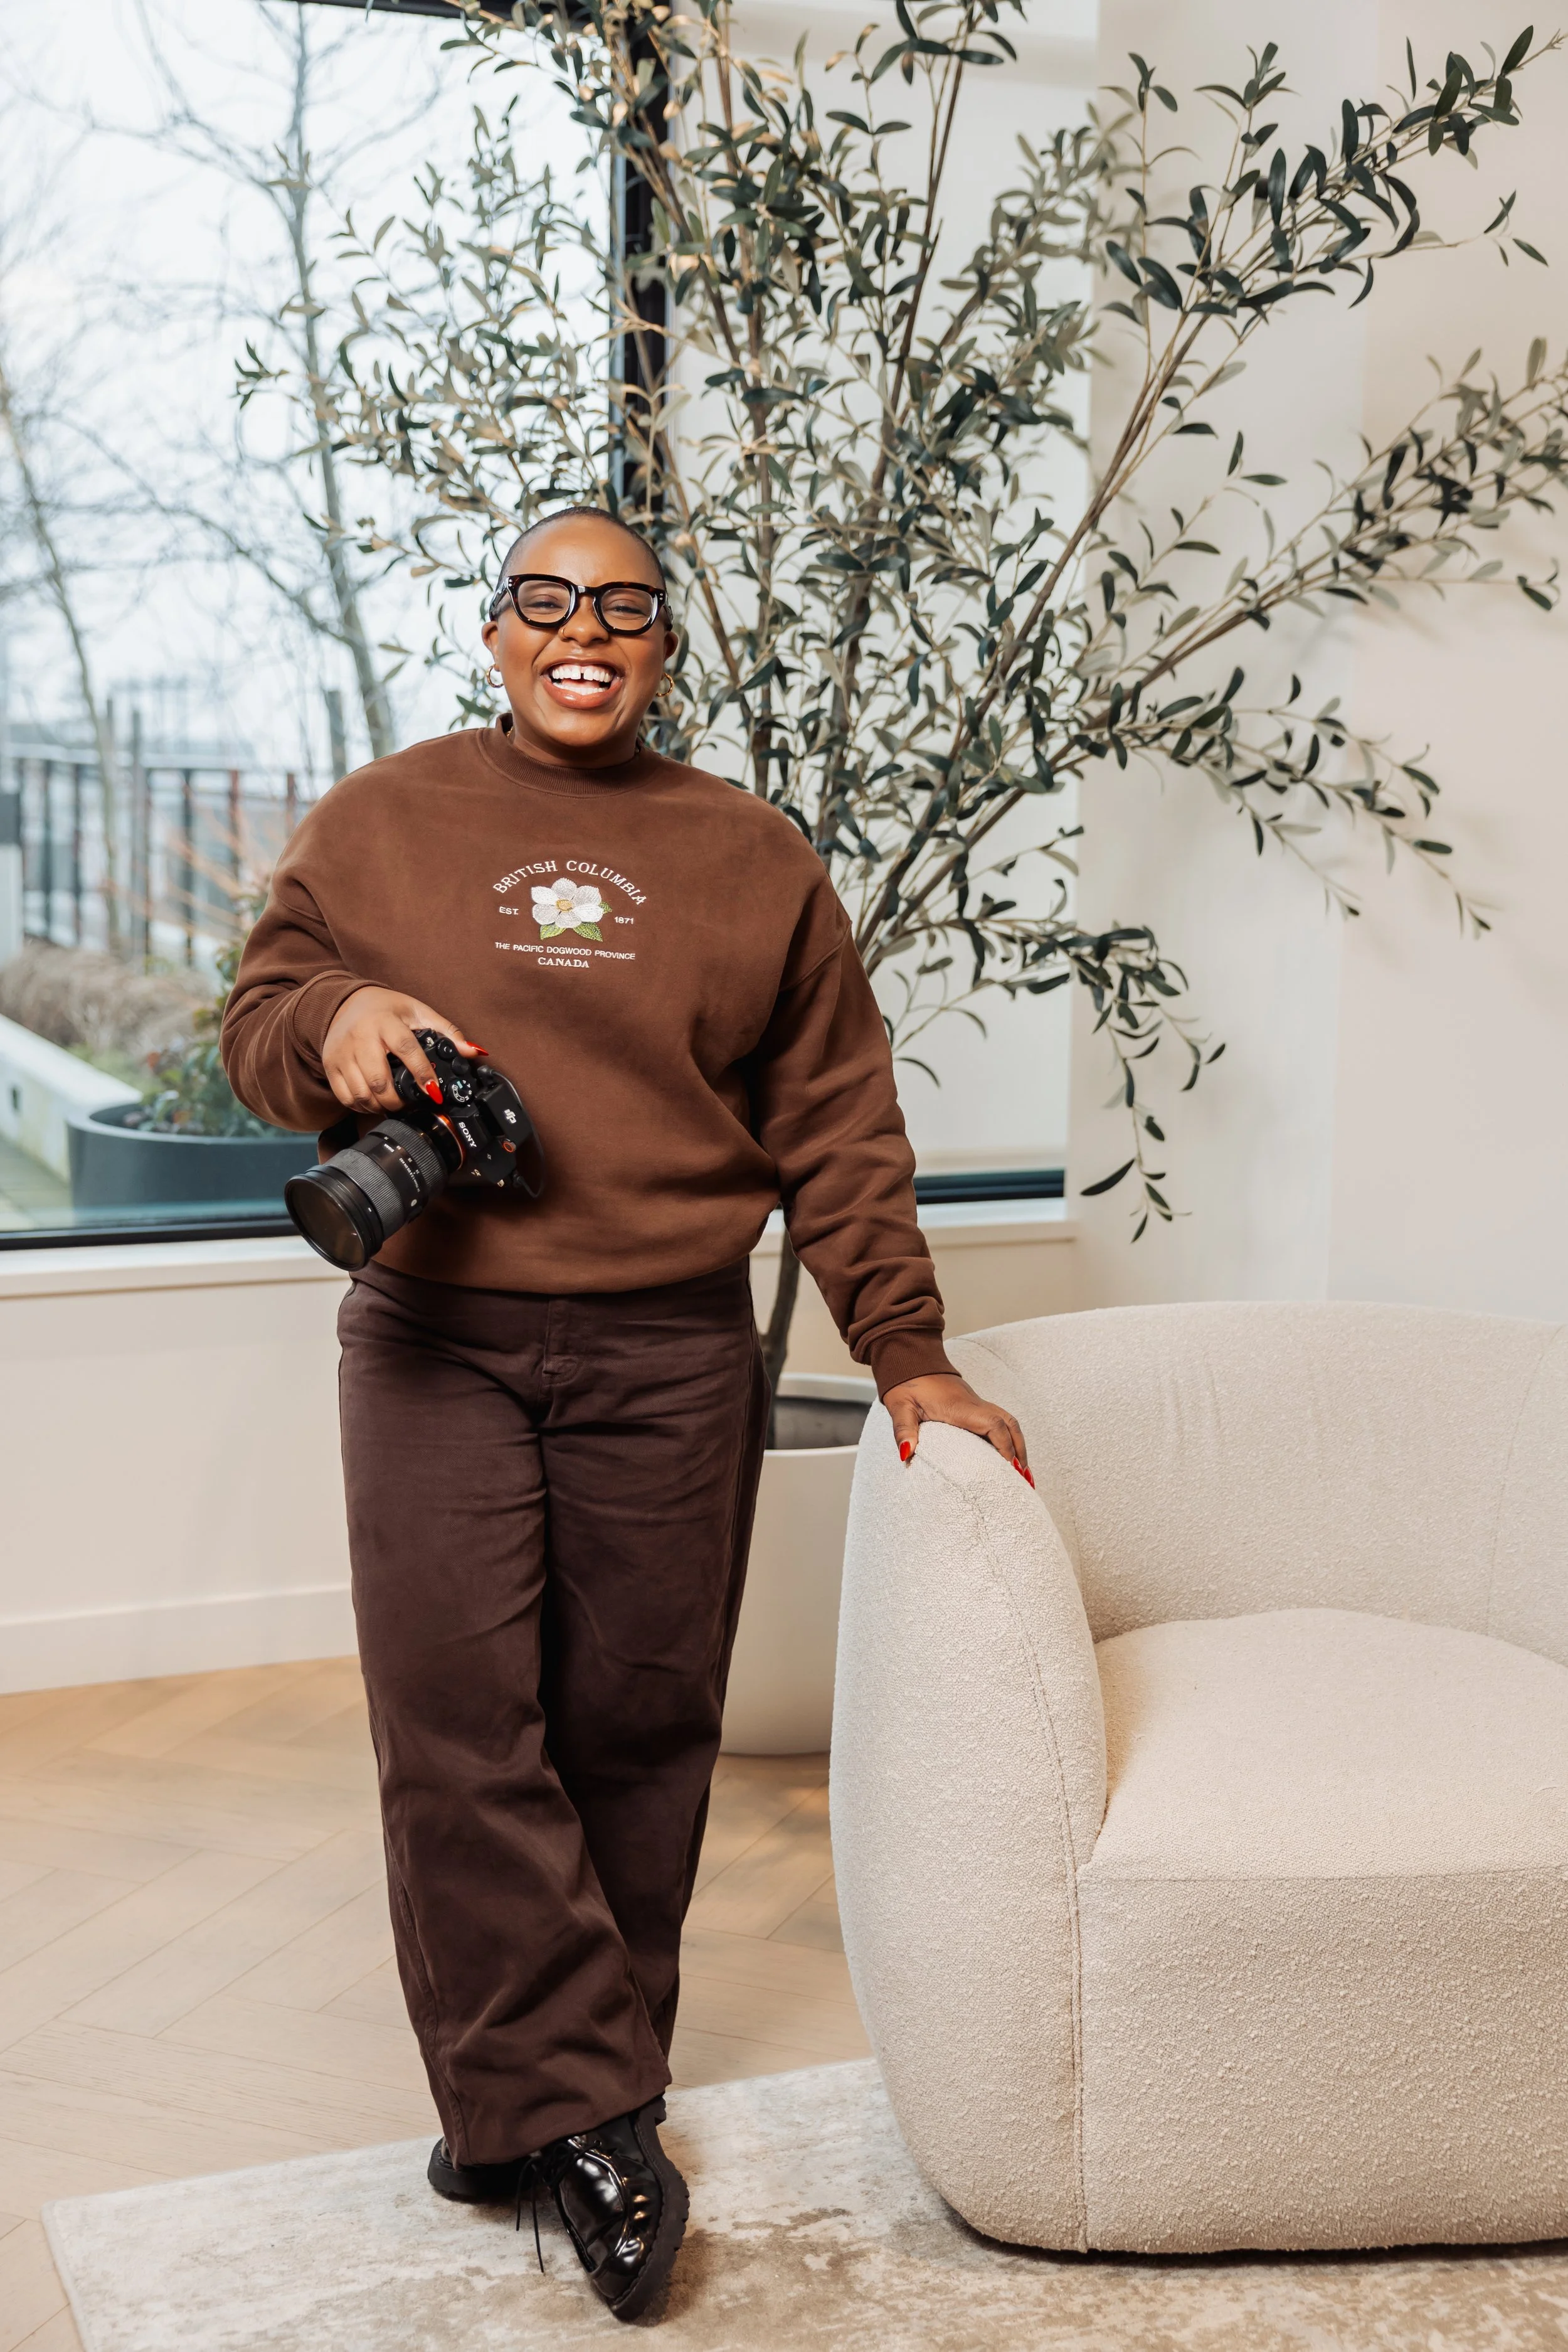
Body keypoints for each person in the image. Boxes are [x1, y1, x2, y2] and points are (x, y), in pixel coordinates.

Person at [221, 506, 1031, 2324]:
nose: (582, 630)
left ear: (668, 645)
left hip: (672, 1348)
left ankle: (531, 2100)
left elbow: (838, 1122)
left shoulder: (747, 854)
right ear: (496, 631)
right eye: (544, 600)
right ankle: (593, 2119)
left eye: (626, 608)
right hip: (434, 1334)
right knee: (458, 1725)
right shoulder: (380, 817)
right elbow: (257, 1018)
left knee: (638, 1727)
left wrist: (906, 1353)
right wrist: (337, 1017)